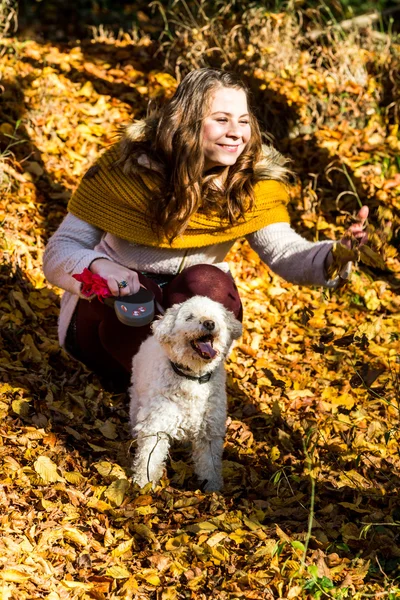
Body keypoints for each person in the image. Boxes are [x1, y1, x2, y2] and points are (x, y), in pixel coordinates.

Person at [43, 68, 368, 390]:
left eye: (243, 121)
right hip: (109, 327)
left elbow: (285, 252)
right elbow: (61, 250)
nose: (236, 133)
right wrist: (100, 267)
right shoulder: (125, 169)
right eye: (222, 119)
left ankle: (185, 390)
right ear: (185, 122)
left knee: (209, 283)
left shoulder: (252, 185)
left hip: (183, 327)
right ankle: (154, 393)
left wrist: (337, 254)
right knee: (138, 290)